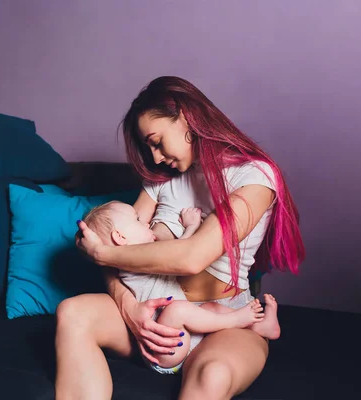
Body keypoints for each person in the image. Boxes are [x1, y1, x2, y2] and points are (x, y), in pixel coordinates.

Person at [55, 76, 305, 400]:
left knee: (213, 375)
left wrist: (100, 255)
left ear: (186, 118)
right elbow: (118, 245)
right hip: (158, 318)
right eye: (149, 148)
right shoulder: (160, 182)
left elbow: (191, 257)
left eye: (156, 141)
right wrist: (128, 306)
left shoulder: (254, 177)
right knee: (73, 313)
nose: (155, 157)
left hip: (222, 319)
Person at [82, 200, 277, 375]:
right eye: (138, 220)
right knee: (178, 309)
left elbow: (177, 253)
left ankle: (259, 326)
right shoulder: (129, 262)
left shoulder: (142, 256)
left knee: (210, 308)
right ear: (120, 238)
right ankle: (236, 320)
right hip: (163, 352)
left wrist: (191, 226)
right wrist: (192, 226)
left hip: (181, 337)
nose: (146, 223)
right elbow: (178, 255)